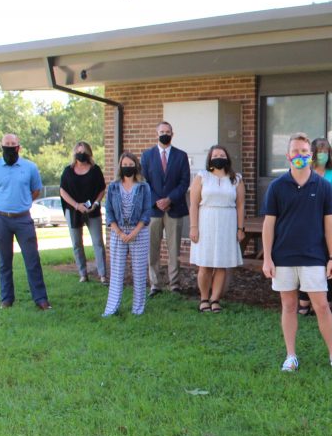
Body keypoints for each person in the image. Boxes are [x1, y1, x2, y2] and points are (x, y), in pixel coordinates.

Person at [261, 132, 332, 373]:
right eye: (295, 151)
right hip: (283, 257)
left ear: (310, 155)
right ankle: (291, 356)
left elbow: (330, 224)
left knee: (321, 306)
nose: (299, 155)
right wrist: (267, 258)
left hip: (314, 257)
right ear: (288, 155)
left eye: (303, 151)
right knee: (289, 306)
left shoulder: (323, 186)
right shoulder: (277, 187)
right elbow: (269, 224)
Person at [0, 133, 51, 310]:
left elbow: (36, 190)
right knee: (4, 261)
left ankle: (41, 299)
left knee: (32, 260)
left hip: (23, 219)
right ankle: (6, 299)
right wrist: (1, 205)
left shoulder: (30, 167)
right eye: (7, 144)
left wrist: (22, 202)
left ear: (19, 147)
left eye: (13, 144)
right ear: (1, 146)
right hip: (1, 219)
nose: (10, 147)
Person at [188, 145, 244, 314]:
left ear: (227, 158)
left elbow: (240, 206)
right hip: (206, 222)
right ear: (210, 159)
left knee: (221, 264)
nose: (219, 157)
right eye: (215, 155)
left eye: (222, 155)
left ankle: (215, 299)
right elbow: (193, 204)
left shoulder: (236, 179)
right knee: (205, 264)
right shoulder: (202, 176)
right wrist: (194, 227)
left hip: (227, 223)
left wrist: (240, 228)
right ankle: (204, 298)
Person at [141, 121, 191, 297]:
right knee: (152, 248)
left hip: (174, 208)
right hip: (153, 210)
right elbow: (144, 182)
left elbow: (184, 182)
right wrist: (157, 201)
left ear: (172, 134)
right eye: (162, 131)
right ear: (157, 134)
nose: (165, 134)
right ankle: (155, 284)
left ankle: (174, 283)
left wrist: (169, 199)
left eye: (168, 131)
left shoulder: (181, 156)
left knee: (174, 249)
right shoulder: (147, 156)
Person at [297, 137, 332, 316]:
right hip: (307, 225)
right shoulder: (304, 171)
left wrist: (315, 200)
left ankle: (326, 301)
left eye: (326, 151)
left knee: (329, 261)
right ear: (312, 154)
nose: (323, 155)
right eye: (319, 151)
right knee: (306, 260)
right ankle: (304, 299)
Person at [103, 153, 152, 316]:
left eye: (131, 165)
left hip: (139, 232)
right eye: (124, 165)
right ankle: (112, 309)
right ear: (120, 166)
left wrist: (135, 232)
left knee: (139, 273)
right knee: (116, 273)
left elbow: (147, 212)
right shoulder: (113, 187)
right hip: (118, 233)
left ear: (136, 166)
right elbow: (109, 211)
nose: (128, 167)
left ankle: (138, 309)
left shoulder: (144, 187)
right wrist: (119, 232)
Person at [59, 141, 107, 284]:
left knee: (98, 242)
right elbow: (62, 191)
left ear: (89, 153)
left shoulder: (95, 170)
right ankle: (83, 274)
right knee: (76, 243)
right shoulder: (68, 171)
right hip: (73, 211)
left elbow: (102, 189)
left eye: (84, 152)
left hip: (92, 210)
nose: (81, 154)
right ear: (74, 153)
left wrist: (96, 203)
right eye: (79, 152)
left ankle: (103, 275)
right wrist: (76, 205)